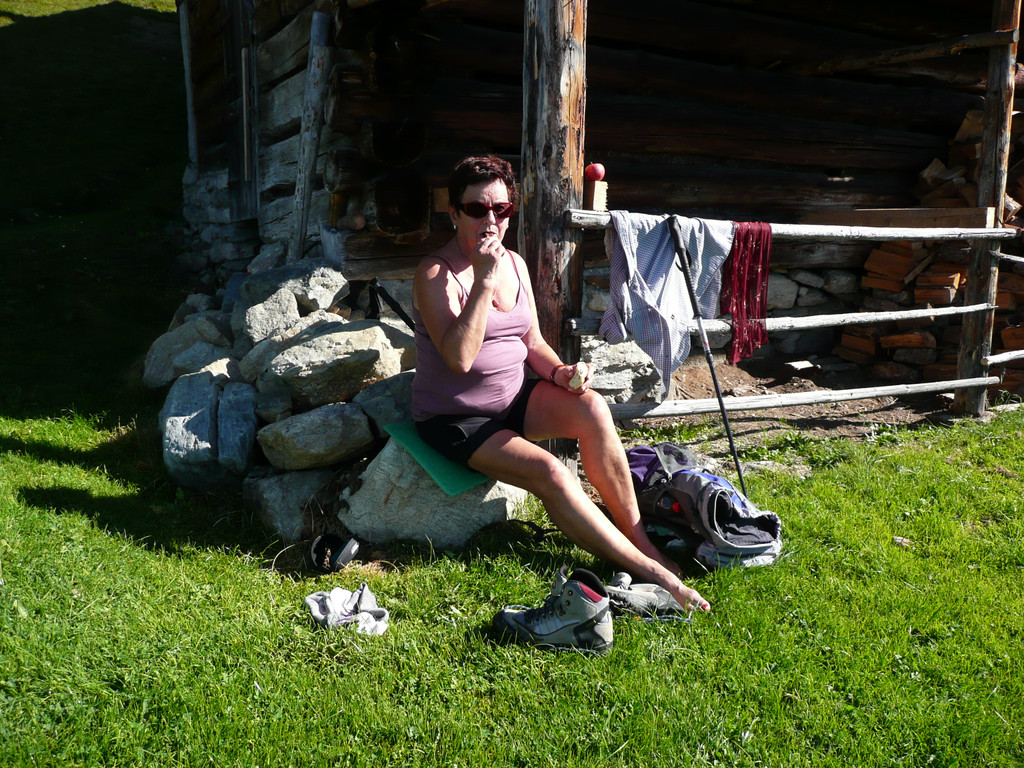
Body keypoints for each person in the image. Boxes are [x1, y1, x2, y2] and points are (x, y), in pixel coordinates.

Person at [411, 154, 710, 614]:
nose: (490, 221)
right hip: (456, 416)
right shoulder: (435, 273)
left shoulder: (513, 262)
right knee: (552, 472)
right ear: (454, 213)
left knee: (592, 407)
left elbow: (531, 341)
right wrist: (483, 281)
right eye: (476, 209)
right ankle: (655, 573)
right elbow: (459, 359)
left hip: (513, 399)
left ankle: (638, 538)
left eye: (501, 210)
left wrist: (560, 373)